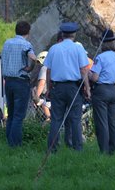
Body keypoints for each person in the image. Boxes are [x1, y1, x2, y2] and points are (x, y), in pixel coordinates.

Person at [44, 22, 90, 152]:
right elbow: (83, 70)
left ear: (62, 34)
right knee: (75, 119)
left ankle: (52, 148)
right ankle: (77, 147)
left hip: (57, 88)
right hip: (74, 88)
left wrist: (49, 88)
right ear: (74, 34)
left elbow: (48, 70)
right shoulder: (78, 48)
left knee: (56, 119)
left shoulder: (54, 48)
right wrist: (87, 88)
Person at [1, 20, 36, 147]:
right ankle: (15, 144)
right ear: (28, 32)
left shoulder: (7, 43)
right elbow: (33, 57)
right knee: (18, 116)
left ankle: (9, 141)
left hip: (8, 81)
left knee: (10, 114)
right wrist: (30, 68)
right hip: (21, 82)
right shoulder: (26, 44)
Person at [89, 29, 115, 154]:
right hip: (113, 91)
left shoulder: (100, 57)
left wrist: (88, 74)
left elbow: (95, 78)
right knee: (112, 121)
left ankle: (104, 150)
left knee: (102, 122)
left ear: (102, 43)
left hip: (101, 90)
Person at [32, 51, 51, 123]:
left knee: (43, 103)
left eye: (39, 62)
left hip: (47, 95)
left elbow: (42, 83)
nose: (39, 65)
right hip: (55, 94)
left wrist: (36, 97)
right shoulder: (53, 66)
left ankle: (48, 119)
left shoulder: (44, 68)